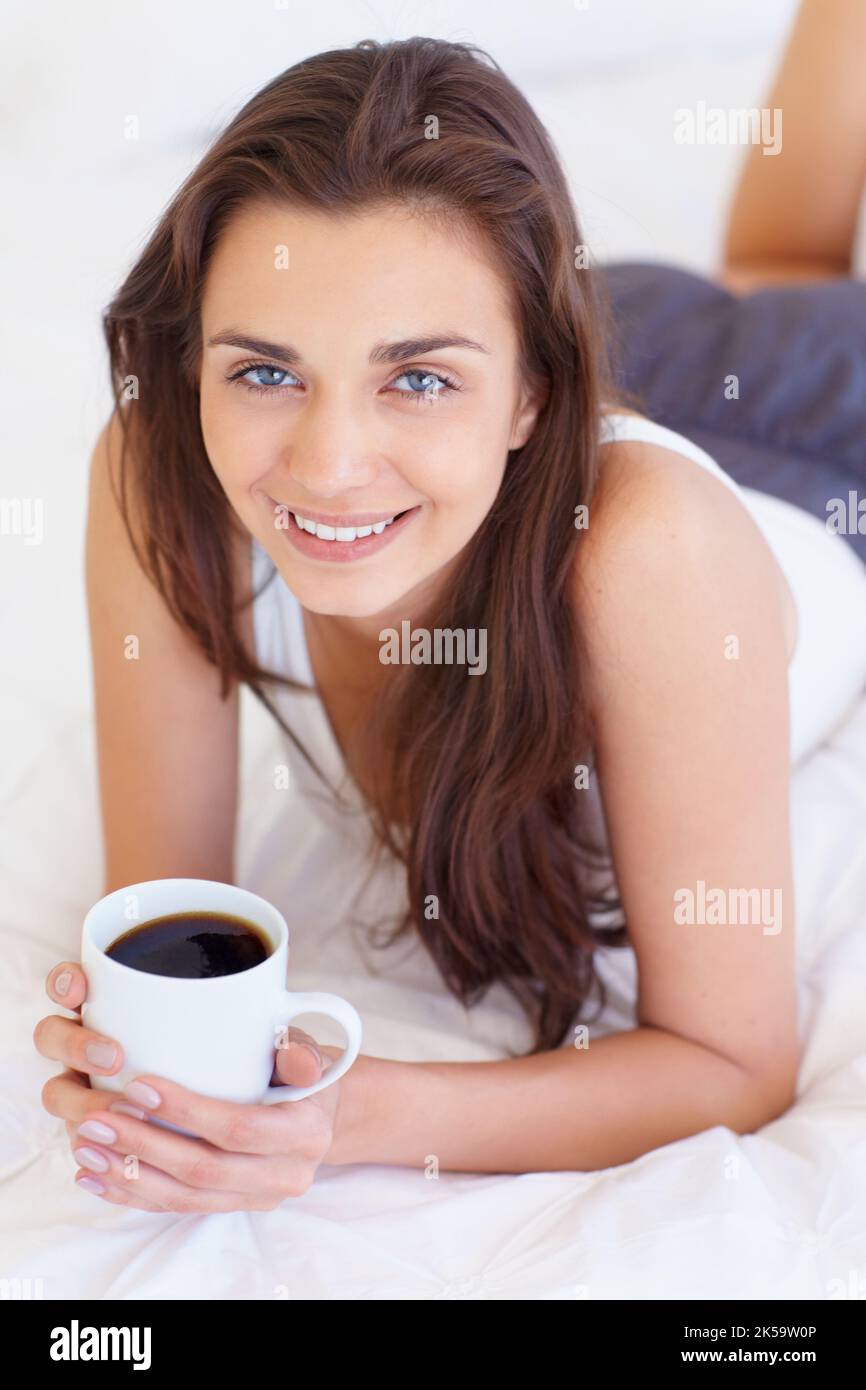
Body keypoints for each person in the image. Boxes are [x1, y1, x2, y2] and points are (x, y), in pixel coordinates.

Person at [32, 17, 866, 1212]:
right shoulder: (161, 474)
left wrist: (355, 1116)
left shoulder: (653, 560)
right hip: (591, 353)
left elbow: (731, 1065)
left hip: (817, 451)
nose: (324, 467)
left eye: (410, 377)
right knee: (759, 266)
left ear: (534, 391)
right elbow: (166, 924)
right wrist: (141, 1064)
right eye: (264, 370)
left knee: (793, 275)